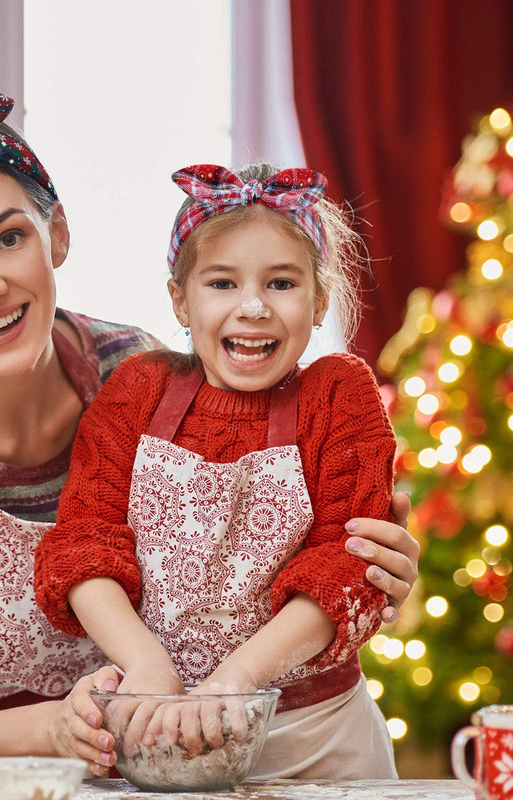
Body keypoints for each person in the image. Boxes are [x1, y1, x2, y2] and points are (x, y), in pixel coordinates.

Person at [0, 93, 417, 778]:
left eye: (9, 239)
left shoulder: (137, 371)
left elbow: (291, 541)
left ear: (56, 234)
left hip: (133, 771)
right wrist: (51, 728)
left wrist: (372, 560)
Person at [35, 163, 402, 779]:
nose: (253, 307)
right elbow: (83, 545)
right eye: (222, 283)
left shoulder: (340, 395)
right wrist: (147, 666)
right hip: (159, 731)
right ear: (181, 298)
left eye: (281, 283)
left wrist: (239, 679)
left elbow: (348, 562)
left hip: (314, 740)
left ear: (319, 301)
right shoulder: (138, 390)